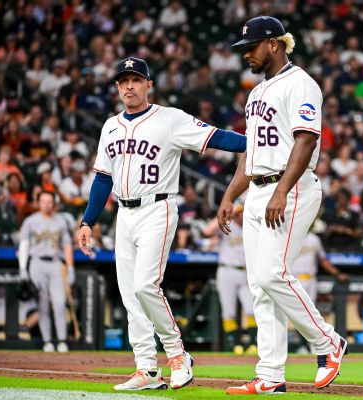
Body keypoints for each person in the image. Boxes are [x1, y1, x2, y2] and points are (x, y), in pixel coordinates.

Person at [77, 56, 246, 391]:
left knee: (144, 285)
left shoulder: (169, 119)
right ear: (116, 86)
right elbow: (101, 179)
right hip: (124, 215)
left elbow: (217, 138)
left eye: (135, 80)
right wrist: (88, 221)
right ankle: (147, 369)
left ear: (148, 85)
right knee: (130, 295)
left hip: (158, 208)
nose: (129, 86)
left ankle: (178, 355)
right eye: (123, 80)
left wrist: (260, 141)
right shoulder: (110, 126)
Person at [217, 17, 347, 395]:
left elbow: (305, 141)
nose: (246, 55)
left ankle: (327, 342)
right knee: (260, 285)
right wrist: (229, 195)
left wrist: (281, 191)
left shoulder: (301, 83)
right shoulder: (256, 94)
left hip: (291, 187)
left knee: (273, 273)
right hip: (259, 188)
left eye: (251, 48)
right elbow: (250, 152)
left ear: (274, 44)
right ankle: (271, 375)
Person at [18, 191, 75, 353]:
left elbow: (67, 246)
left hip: (56, 263)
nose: (46, 205)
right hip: (36, 263)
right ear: (38, 203)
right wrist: (22, 268)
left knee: (59, 303)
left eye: (49, 201)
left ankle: (62, 340)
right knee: (42, 304)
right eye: (43, 201)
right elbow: (23, 245)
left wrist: (70, 268)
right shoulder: (30, 221)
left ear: (54, 203)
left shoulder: (61, 221)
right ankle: (47, 341)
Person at [202, 203, 257, 355]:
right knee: (229, 311)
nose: (240, 216)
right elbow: (207, 231)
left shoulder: (252, 227)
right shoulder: (227, 225)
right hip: (227, 270)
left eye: (242, 213)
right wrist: (229, 214)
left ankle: (253, 344)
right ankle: (234, 345)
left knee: (252, 309)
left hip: (245, 272)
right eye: (239, 214)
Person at [290, 229, 350, 353]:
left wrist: (337, 274)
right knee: (298, 314)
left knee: (309, 314)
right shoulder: (289, 235)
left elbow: (323, 260)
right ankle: (304, 345)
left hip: (310, 280)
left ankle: (311, 345)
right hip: (293, 279)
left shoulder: (314, 239)